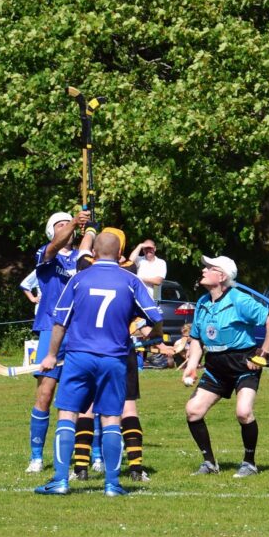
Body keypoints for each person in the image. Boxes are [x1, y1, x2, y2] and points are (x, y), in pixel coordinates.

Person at [34, 232, 164, 496]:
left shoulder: (78, 279)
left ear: (93, 253)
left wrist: (50, 355)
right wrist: (155, 334)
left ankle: (60, 481)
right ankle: (112, 484)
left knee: (68, 414)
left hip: (78, 356)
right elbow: (154, 315)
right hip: (114, 358)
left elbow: (60, 322)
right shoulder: (131, 280)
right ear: (119, 255)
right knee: (111, 418)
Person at [69, 226, 171, 483]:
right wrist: (153, 334)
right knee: (127, 407)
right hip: (119, 349)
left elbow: (83, 250)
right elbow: (151, 315)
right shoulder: (130, 272)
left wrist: (89, 228)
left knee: (86, 408)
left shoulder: (84, 269)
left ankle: (80, 467)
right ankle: (135, 468)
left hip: (86, 349)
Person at [182, 255, 269, 479]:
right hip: (216, 366)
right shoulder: (203, 302)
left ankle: (249, 463)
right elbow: (197, 338)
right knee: (193, 411)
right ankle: (209, 463)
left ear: (222, 276)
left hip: (243, 364)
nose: (204, 270)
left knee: (244, 412)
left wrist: (263, 355)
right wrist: (191, 366)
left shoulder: (239, 299)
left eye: (210, 267)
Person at [25, 210, 90, 473]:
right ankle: (37, 457)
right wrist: (74, 221)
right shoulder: (46, 253)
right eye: (60, 225)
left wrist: (91, 230)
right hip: (51, 330)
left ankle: (92, 454)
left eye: (70, 225)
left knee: (87, 398)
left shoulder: (86, 256)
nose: (67, 228)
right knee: (45, 394)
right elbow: (54, 246)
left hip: (82, 331)